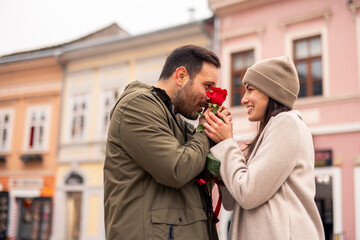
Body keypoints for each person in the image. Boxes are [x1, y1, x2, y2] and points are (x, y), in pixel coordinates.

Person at [104, 45, 226, 240]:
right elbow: (176, 170)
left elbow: (199, 180)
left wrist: (223, 139)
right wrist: (206, 132)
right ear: (181, 76)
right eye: (207, 87)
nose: (209, 97)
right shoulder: (136, 105)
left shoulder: (178, 122)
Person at [202, 56, 325, 239]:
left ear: (272, 90)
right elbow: (232, 201)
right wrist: (218, 143)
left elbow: (248, 194)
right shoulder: (270, 131)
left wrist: (226, 143)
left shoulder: (287, 123)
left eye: (250, 90)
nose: (244, 99)